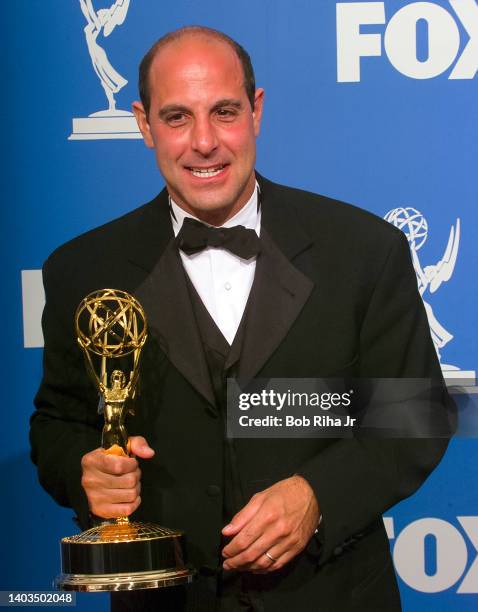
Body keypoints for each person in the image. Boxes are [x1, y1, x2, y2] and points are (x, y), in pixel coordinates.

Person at [31, 26, 453, 611]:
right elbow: (56, 422)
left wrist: (317, 495)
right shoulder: (83, 269)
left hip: (331, 594)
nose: (204, 142)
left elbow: (416, 415)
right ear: (143, 123)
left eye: (224, 112)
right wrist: (85, 472)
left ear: (256, 111)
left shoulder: (363, 250)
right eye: (177, 117)